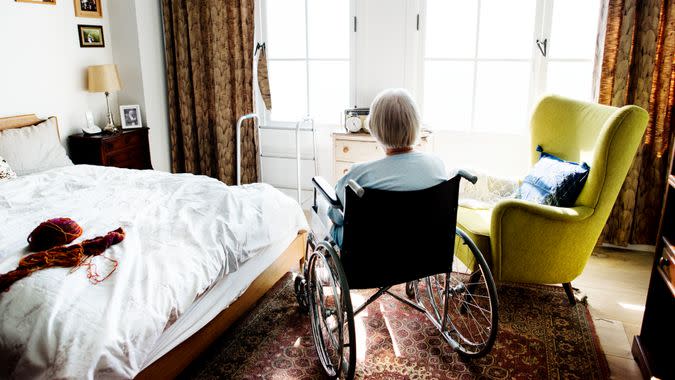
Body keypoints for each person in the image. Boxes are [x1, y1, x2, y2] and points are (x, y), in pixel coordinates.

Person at [327, 88, 447, 247]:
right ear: (416, 124)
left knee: (331, 221)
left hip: (373, 249)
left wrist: (336, 220)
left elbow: (336, 213)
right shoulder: (437, 165)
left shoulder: (358, 174)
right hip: (423, 247)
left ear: (374, 128)